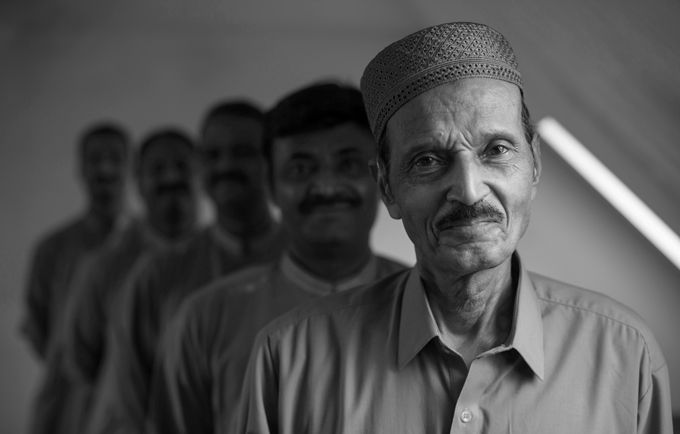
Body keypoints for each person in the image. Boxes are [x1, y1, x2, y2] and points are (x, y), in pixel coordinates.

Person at [235, 22, 673, 433]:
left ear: (534, 165)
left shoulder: (623, 351)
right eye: (427, 161)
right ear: (387, 187)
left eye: (496, 150)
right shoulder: (290, 360)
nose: (467, 190)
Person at [146, 82, 407, 434]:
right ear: (269, 186)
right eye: (301, 169)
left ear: (383, 178)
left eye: (348, 165)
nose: (326, 186)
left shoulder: (425, 304)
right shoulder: (203, 320)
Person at [87, 101, 286, 434]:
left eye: (243, 152)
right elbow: (129, 399)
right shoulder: (159, 274)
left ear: (272, 159)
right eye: (213, 155)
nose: (226, 166)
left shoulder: (306, 258)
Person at [59, 128, 200, 431]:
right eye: (157, 169)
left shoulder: (218, 257)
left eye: (182, 166)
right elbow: (82, 360)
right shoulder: (105, 266)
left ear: (201, 174)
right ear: (138, 180)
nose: (170, 178)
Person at [20, 122, 130, 434]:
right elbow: (38, 326)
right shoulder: (53, 249)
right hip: (66, 401)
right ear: (80, 168)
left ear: (130, 166)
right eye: (95, 159)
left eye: (115, 158)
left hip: (129, 397)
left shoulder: (148, 250)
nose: (105, 169)